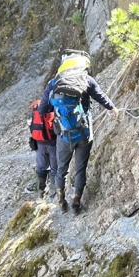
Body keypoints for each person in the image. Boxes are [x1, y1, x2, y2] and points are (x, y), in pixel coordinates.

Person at [41, 51, 119, 214]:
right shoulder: (87, 80)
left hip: (64, 135)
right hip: (84, 133)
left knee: (61, 168)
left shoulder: (54, 82)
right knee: (80, 168)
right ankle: (77, 201)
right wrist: (112, 108)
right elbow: (101, 97)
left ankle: (62, 199)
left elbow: (43, 109)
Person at [28, 98, 58, 198]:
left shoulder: (36, 105)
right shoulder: (54, 104)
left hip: (39, 142)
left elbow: (31, 125)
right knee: (55, 168)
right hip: (53, 142)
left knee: (41, 167)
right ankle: (54, 192)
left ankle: (41, 190)